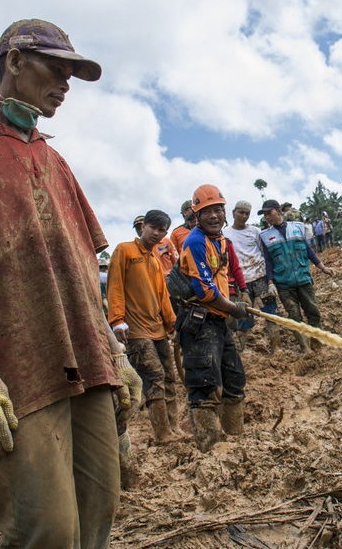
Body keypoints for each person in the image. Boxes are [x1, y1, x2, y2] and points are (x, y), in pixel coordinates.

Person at [0, 19, 142, 547]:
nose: (65, 84)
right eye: (56, 69)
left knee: (100, 507)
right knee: (46, 528)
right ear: (15, 62)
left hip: (90, 360)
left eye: (72, 74)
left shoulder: (54, 158)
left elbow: (85, 269)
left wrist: (117, 354)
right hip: (22, 368)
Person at [177, 184, 250, 453]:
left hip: (217, 320)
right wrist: (234, 308)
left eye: (218, 209)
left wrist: (234, 302)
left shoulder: (220, 241)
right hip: (198, 322)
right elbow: (205, 290)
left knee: (234, 380)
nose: (215, 216)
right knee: (204, 386)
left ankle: (235, 440)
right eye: (207, 211)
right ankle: (211, 452)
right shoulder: (194, 242)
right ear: (197, 215)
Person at [108, 211, 179, 448]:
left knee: (169, 375)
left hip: (157, 328)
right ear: (143, 227)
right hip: (135, 330)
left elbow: (163, 296)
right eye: (154, 228)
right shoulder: (124, 251)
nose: (157, 234)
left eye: (162, 231)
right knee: (155, 376)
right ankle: (162, 433)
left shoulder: (154, 262)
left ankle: (174, 426)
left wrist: (171, 322)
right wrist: (117, 319)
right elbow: (115, 284)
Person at [258, 199, 336, 355]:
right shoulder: (265, 236)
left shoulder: (298, 227)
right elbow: (267, 261)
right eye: (264, 214)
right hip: (283, 283)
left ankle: (317, 343)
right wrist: (271, 282)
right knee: (294, 316)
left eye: (269, 212)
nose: (267, 216)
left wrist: (322, 267)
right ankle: (305, 348)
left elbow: (308, 251)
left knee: (313, 312)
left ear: (278, 210)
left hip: (303, 278)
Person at [223, 200, 281, 353]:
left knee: (271, 314)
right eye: (240, 212)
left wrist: (270, 280)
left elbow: (263, 253)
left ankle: (277, 350)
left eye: (247, 213)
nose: (243, 216)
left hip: (260, 278)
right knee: (243, 319)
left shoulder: (255, 231)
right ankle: (244, 352)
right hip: (241, 284)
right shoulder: (225, 234)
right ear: (233, 212)